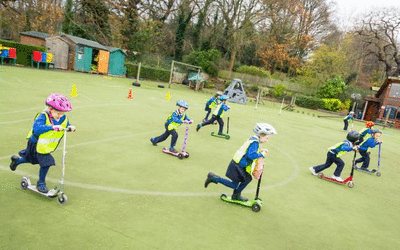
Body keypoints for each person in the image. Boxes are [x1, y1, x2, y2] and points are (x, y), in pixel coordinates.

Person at [9, 93, 76, 193]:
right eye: (58, 113)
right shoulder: (43, 116)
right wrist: (52, 127)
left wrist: (70, 126)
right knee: (47, 162)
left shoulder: (62, 117)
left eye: (62, 113)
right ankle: (41, 183)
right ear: (50, 109)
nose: (60, 116)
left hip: (44, 146)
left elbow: (65, 123)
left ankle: (17, 161)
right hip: (35, 143)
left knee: (33, 160)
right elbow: (37, 129)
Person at [204, 123, 277, 201]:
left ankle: (236, 195)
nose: (267, 140)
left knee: (247, 179)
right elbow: (250, 155)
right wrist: (261, 154)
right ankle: (214, 178)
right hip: (237, 165)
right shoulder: (255, 143)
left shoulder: (254, 140)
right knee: (234, 184)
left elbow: (250, 151)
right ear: (261, 135)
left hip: (239, 164)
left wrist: (260, 152)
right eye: (267, 138)